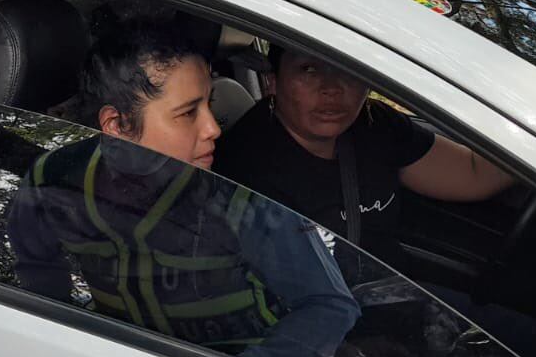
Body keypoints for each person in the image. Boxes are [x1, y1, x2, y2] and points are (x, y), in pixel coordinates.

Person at [5, 14, 359, 357]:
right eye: (188, 112)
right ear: (117, 126)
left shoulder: (241, 203)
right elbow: (38, 274)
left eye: (210, 104)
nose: (213, 128)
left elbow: (328, 303)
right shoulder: (54, 180)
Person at [214, 46, 515, 268]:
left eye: (346, 68)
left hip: (389, 295)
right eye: (309, 69)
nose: (331, 88)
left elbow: (473, 174)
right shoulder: (243, 169)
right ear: (272, 82)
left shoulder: (374, 125)